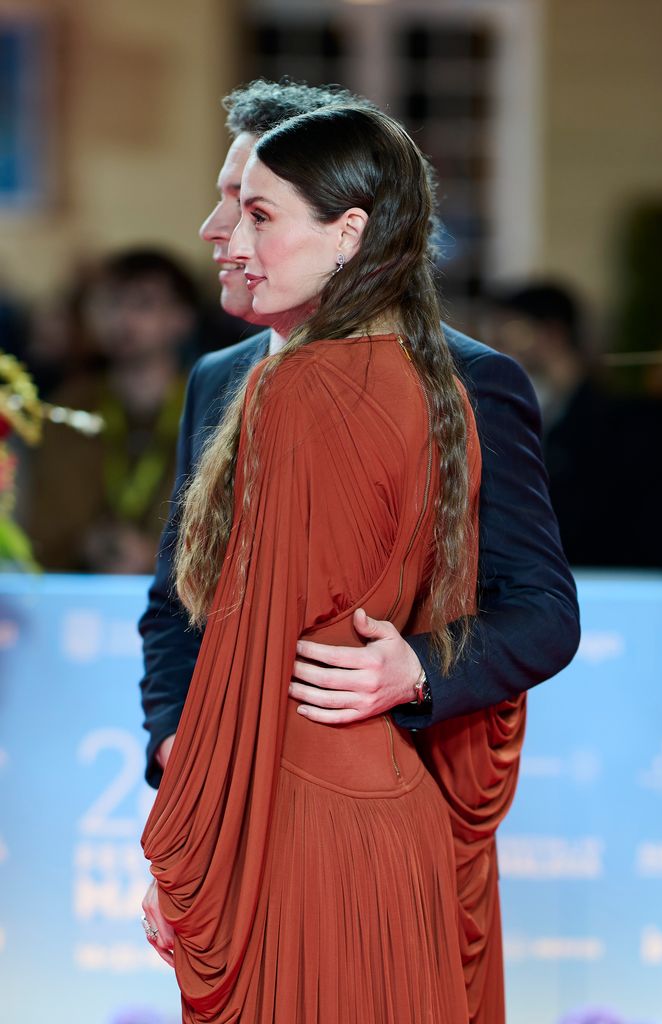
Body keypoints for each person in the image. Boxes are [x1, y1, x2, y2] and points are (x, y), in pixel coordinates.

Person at [139, 81, 579, 1021]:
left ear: (347, 228)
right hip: (305, 790)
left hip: (339, 787)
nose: (220, 231)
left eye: (252, 206)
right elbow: (182, 603)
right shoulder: (230, 377)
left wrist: (413, 668)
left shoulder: (462, 379)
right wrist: (183, 747)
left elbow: (541, 610)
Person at [487, 280, 662, 573]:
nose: (497, 347)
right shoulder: (542, 412)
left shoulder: (617, 425)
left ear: (552, 333)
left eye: (511, 333)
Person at [23, 248, 199, 572]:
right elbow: (41, 524)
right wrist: (84, 544)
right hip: (80, 590)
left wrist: (158, 557)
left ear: (182, 319)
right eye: (112, 303)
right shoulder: (67, 407)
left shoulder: (212, 406)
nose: (123, 319)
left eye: (143, 304)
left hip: (182, 604)